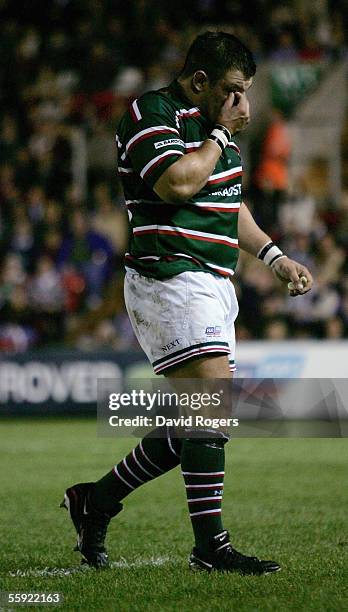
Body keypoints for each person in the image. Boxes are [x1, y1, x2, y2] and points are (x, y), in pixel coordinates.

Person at [61, 31, 313, 574]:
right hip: (169, 276)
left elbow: (227, 201)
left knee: (196, 423)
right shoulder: (153, 114)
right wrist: (220, 134)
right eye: (231, 90)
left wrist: (274, 257)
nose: (240, 104)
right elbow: (177, 184)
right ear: (200, 81)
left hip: (214, 284)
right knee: (212, 406)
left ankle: (95, 502)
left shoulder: (218, 134)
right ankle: (210, 547)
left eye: (245, 92)